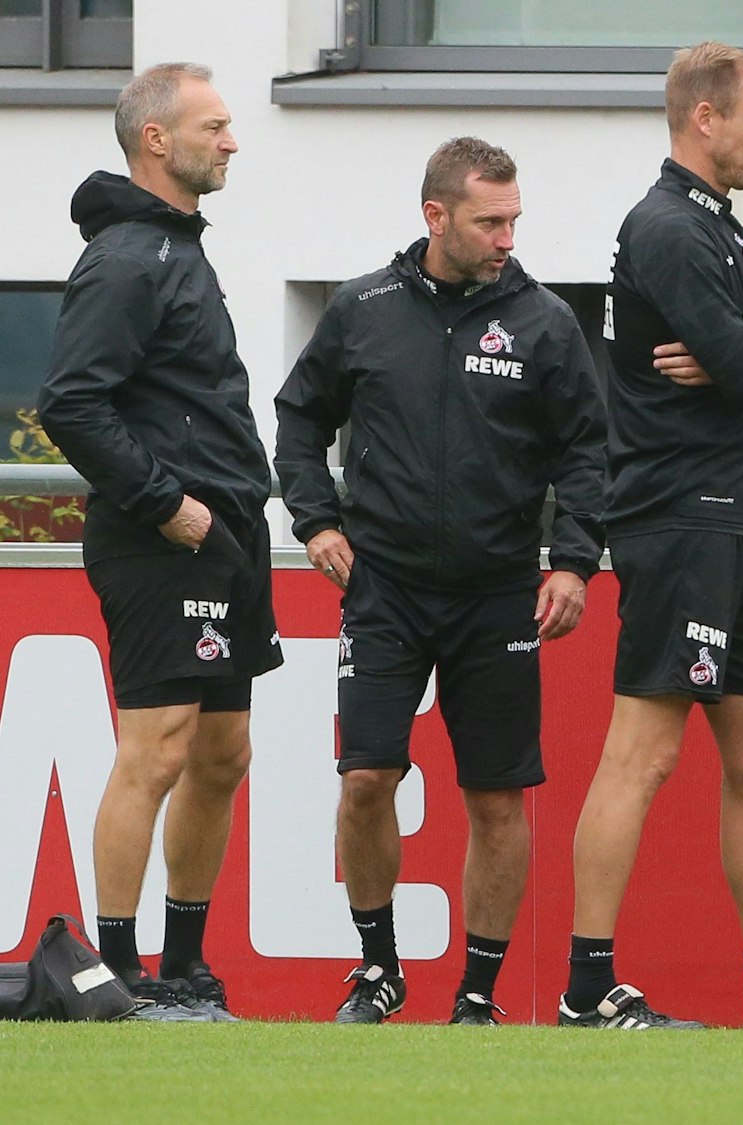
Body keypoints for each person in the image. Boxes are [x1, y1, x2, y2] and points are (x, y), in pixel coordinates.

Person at [273, 138, 606, 1026]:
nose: (507, 238)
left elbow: (588, 452)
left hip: (499, 593)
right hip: (383, 589)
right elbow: (298, 418)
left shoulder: (544, 321)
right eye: (489, 221)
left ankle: (476, 995)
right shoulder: (362, 308)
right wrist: (315, 519)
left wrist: (573, 559)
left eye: (514, 221)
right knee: (365, 781)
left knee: (496, 798)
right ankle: (378, 970)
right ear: (436, 217)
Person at [562, 41, 743, 1031]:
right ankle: (587, 988)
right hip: (676, 517)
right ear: (703, 119)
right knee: (644, 751)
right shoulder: (668, 227)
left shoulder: (721, 227)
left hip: (729, 520)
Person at [37, 62, 280, 1023]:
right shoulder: (129, 256)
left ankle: (185, 968)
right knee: (159, 748)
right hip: (161, 539)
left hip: (222, 535)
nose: (230, 141)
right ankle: (120, 973)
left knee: (223, 752)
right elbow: (70, 402)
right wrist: (163, 502)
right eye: (215, 126)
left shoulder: (177, 248)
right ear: (156, 141)